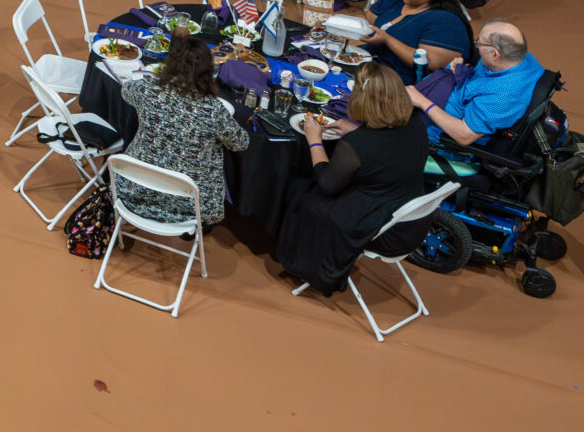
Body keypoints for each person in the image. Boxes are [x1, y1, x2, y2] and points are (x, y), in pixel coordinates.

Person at [273, 62, 433, 293]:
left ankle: (298, 262)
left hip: (375, 224)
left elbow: (327, 183)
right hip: (409, 216)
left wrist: (314, 139)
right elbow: (387, 151)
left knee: (301, 189)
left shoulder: (357, 145)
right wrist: (356, 131)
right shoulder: (415, 124)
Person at [114, 37, 249, 227]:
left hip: (134, 191)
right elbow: (241, 143)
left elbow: (126, 90)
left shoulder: (148, 90)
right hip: (190, 207)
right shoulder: (213, 109)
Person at [406, 20, 544, 147]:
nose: (476, 46)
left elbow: (464, 136)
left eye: (479, 43)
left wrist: (422, 102)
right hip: (450, 97)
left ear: (495, 54)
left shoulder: (503, 96)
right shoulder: (516, 56)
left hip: (440, 135)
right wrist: (462, 67)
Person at [358, 0, 473, 80]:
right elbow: (370, 17)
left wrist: (387, 40)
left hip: (394, 82)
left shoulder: (446, 21)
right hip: (365, 63)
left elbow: (430, 62)